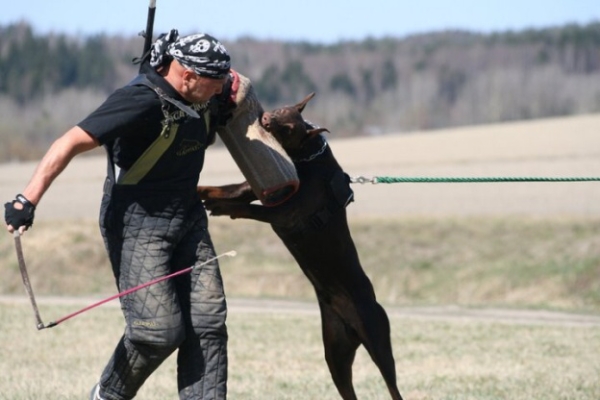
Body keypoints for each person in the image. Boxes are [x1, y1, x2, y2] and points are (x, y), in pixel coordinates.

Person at [4, 30, 238, 400]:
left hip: (188, 219)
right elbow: (68, 142)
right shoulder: (138, 100)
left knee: (209, 323)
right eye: (215, 83)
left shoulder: (204, 94)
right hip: (137, 226)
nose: (221, 89)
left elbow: (226, 96)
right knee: (156, 331)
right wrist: (26, 199)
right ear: (188, 76)